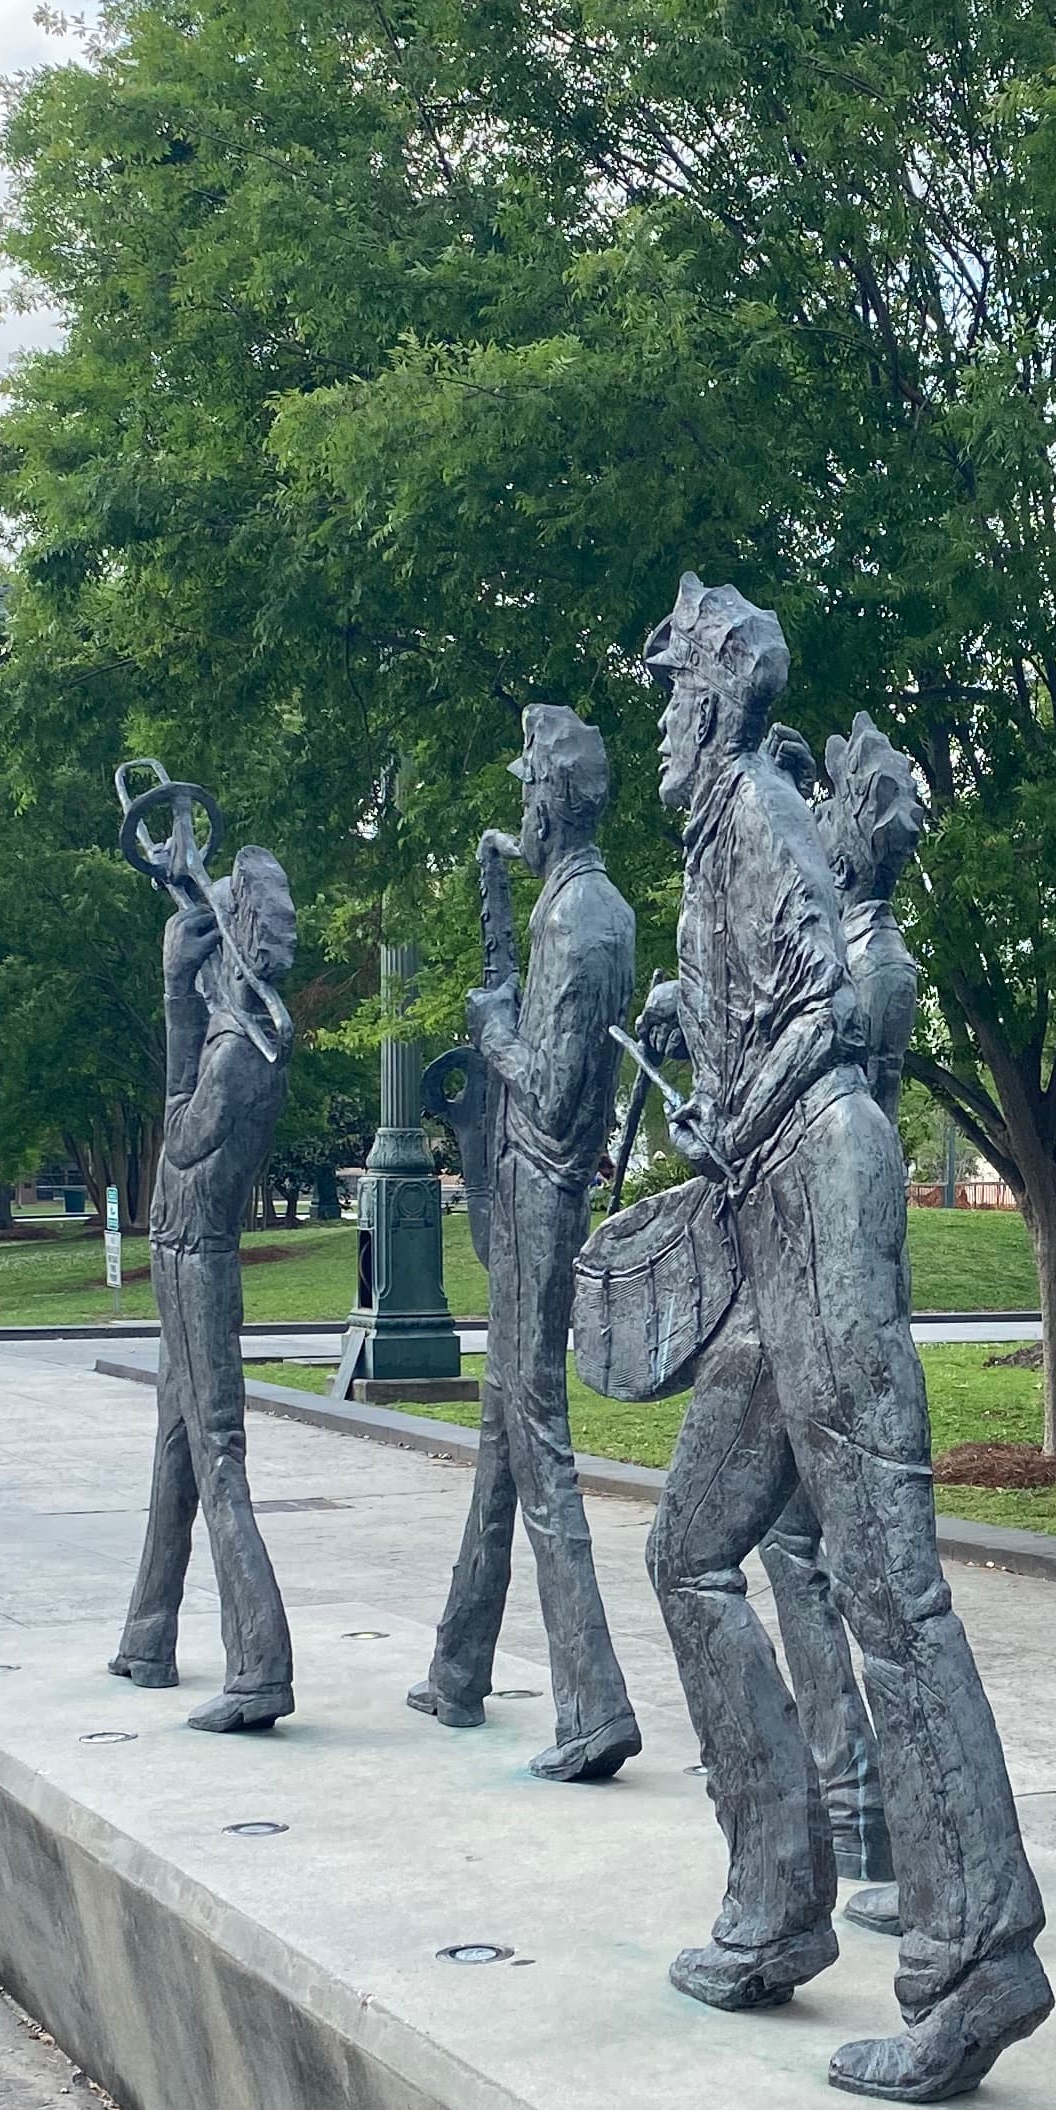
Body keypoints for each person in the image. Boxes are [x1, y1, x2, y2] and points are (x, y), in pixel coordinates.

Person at [639, 581, 1050, 2101]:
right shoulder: (722, 827)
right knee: (687, 1548)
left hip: (815, 1200)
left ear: (713, 696)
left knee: (886, 1583)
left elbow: (822, 1018)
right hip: (768, 1220)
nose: (660, 723)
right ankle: (773, 1905)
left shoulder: (752, 803)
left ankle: (974, 1957)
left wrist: (733, 1105)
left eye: (668, 693)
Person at [411, 707, 641, 1779]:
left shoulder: (578, 921)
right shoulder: (582, 904)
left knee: (534, 1439)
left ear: (552, 802)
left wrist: (490, 1028)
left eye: (524, 799)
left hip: (543, 1196)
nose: (518, 816)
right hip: (533, 1190)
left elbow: (550, 1089)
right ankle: (460, 1664)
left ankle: (593, 1701)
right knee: (505, 1437)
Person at [749, 717, 928, 1930]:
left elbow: (815, 1054)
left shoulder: (875, 965)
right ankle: (859, 1804)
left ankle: (877, 1816)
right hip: (820, 1267)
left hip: (844, 1276)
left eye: (837, 818)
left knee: (844, 1564)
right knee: (806, 1552)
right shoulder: (849, 941)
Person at [110, 822, 299, 1733]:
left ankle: (260, 1664)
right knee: (176, 1443)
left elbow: (178, 1149)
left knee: (215, 1445)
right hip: (180, 1259)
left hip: (197, 1260)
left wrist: (175, 1004)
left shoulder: (236, 1056)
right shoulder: (240, 1034)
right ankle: (148, 1631)